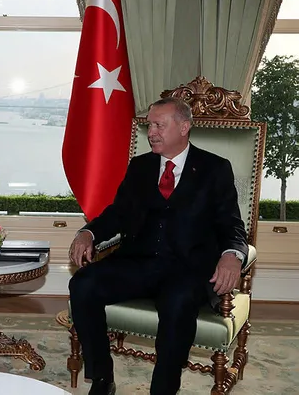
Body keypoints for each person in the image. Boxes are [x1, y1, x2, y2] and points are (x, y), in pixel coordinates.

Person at [68, 97, 248, 395]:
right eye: (149, 125)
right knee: (82, 284)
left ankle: (163, 389)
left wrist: (232, 255)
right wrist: (88, 232)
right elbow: (118, 214)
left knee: (178, 303)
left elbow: (232, 224)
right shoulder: (140, 166)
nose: (151, 132)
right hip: (137, 263)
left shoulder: (214, 168)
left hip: (187, 269)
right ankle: (102, 378)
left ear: (184, 127)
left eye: (159, 125)